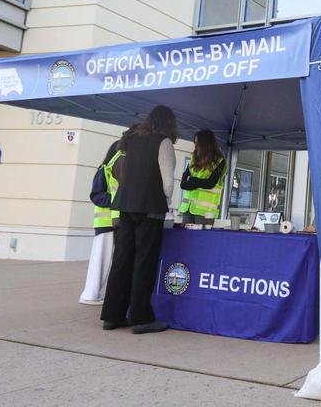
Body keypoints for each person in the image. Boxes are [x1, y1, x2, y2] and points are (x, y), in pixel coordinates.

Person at [100, 105, 177, 335]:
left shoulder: (131, 140)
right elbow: (168, 184)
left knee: (122, 261)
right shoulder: (164, 143)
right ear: (169, 123)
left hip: (125, 207)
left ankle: (112, 316)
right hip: (150, 209)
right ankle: (141, 318)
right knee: (144, 262)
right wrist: (166, 200)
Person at [78, 140, 123, 304]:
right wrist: (118, 200)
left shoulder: (107, 169)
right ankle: (90, 294)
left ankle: (91, 294)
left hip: (111, 222)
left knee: (102, 260)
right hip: (106, 222)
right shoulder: (104, 170)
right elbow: (96, 195)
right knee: (101, 261)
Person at [178, 129, 226, 224]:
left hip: (205, 212)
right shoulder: (193, 160)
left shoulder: (219, 161)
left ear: (205, 144)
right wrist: (199, 182)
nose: (195, 146)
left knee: (201, 238)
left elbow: (210, 184)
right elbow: (183, 184)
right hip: (187, 208)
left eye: (197, 143)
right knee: (186, 237)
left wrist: (191, 179)